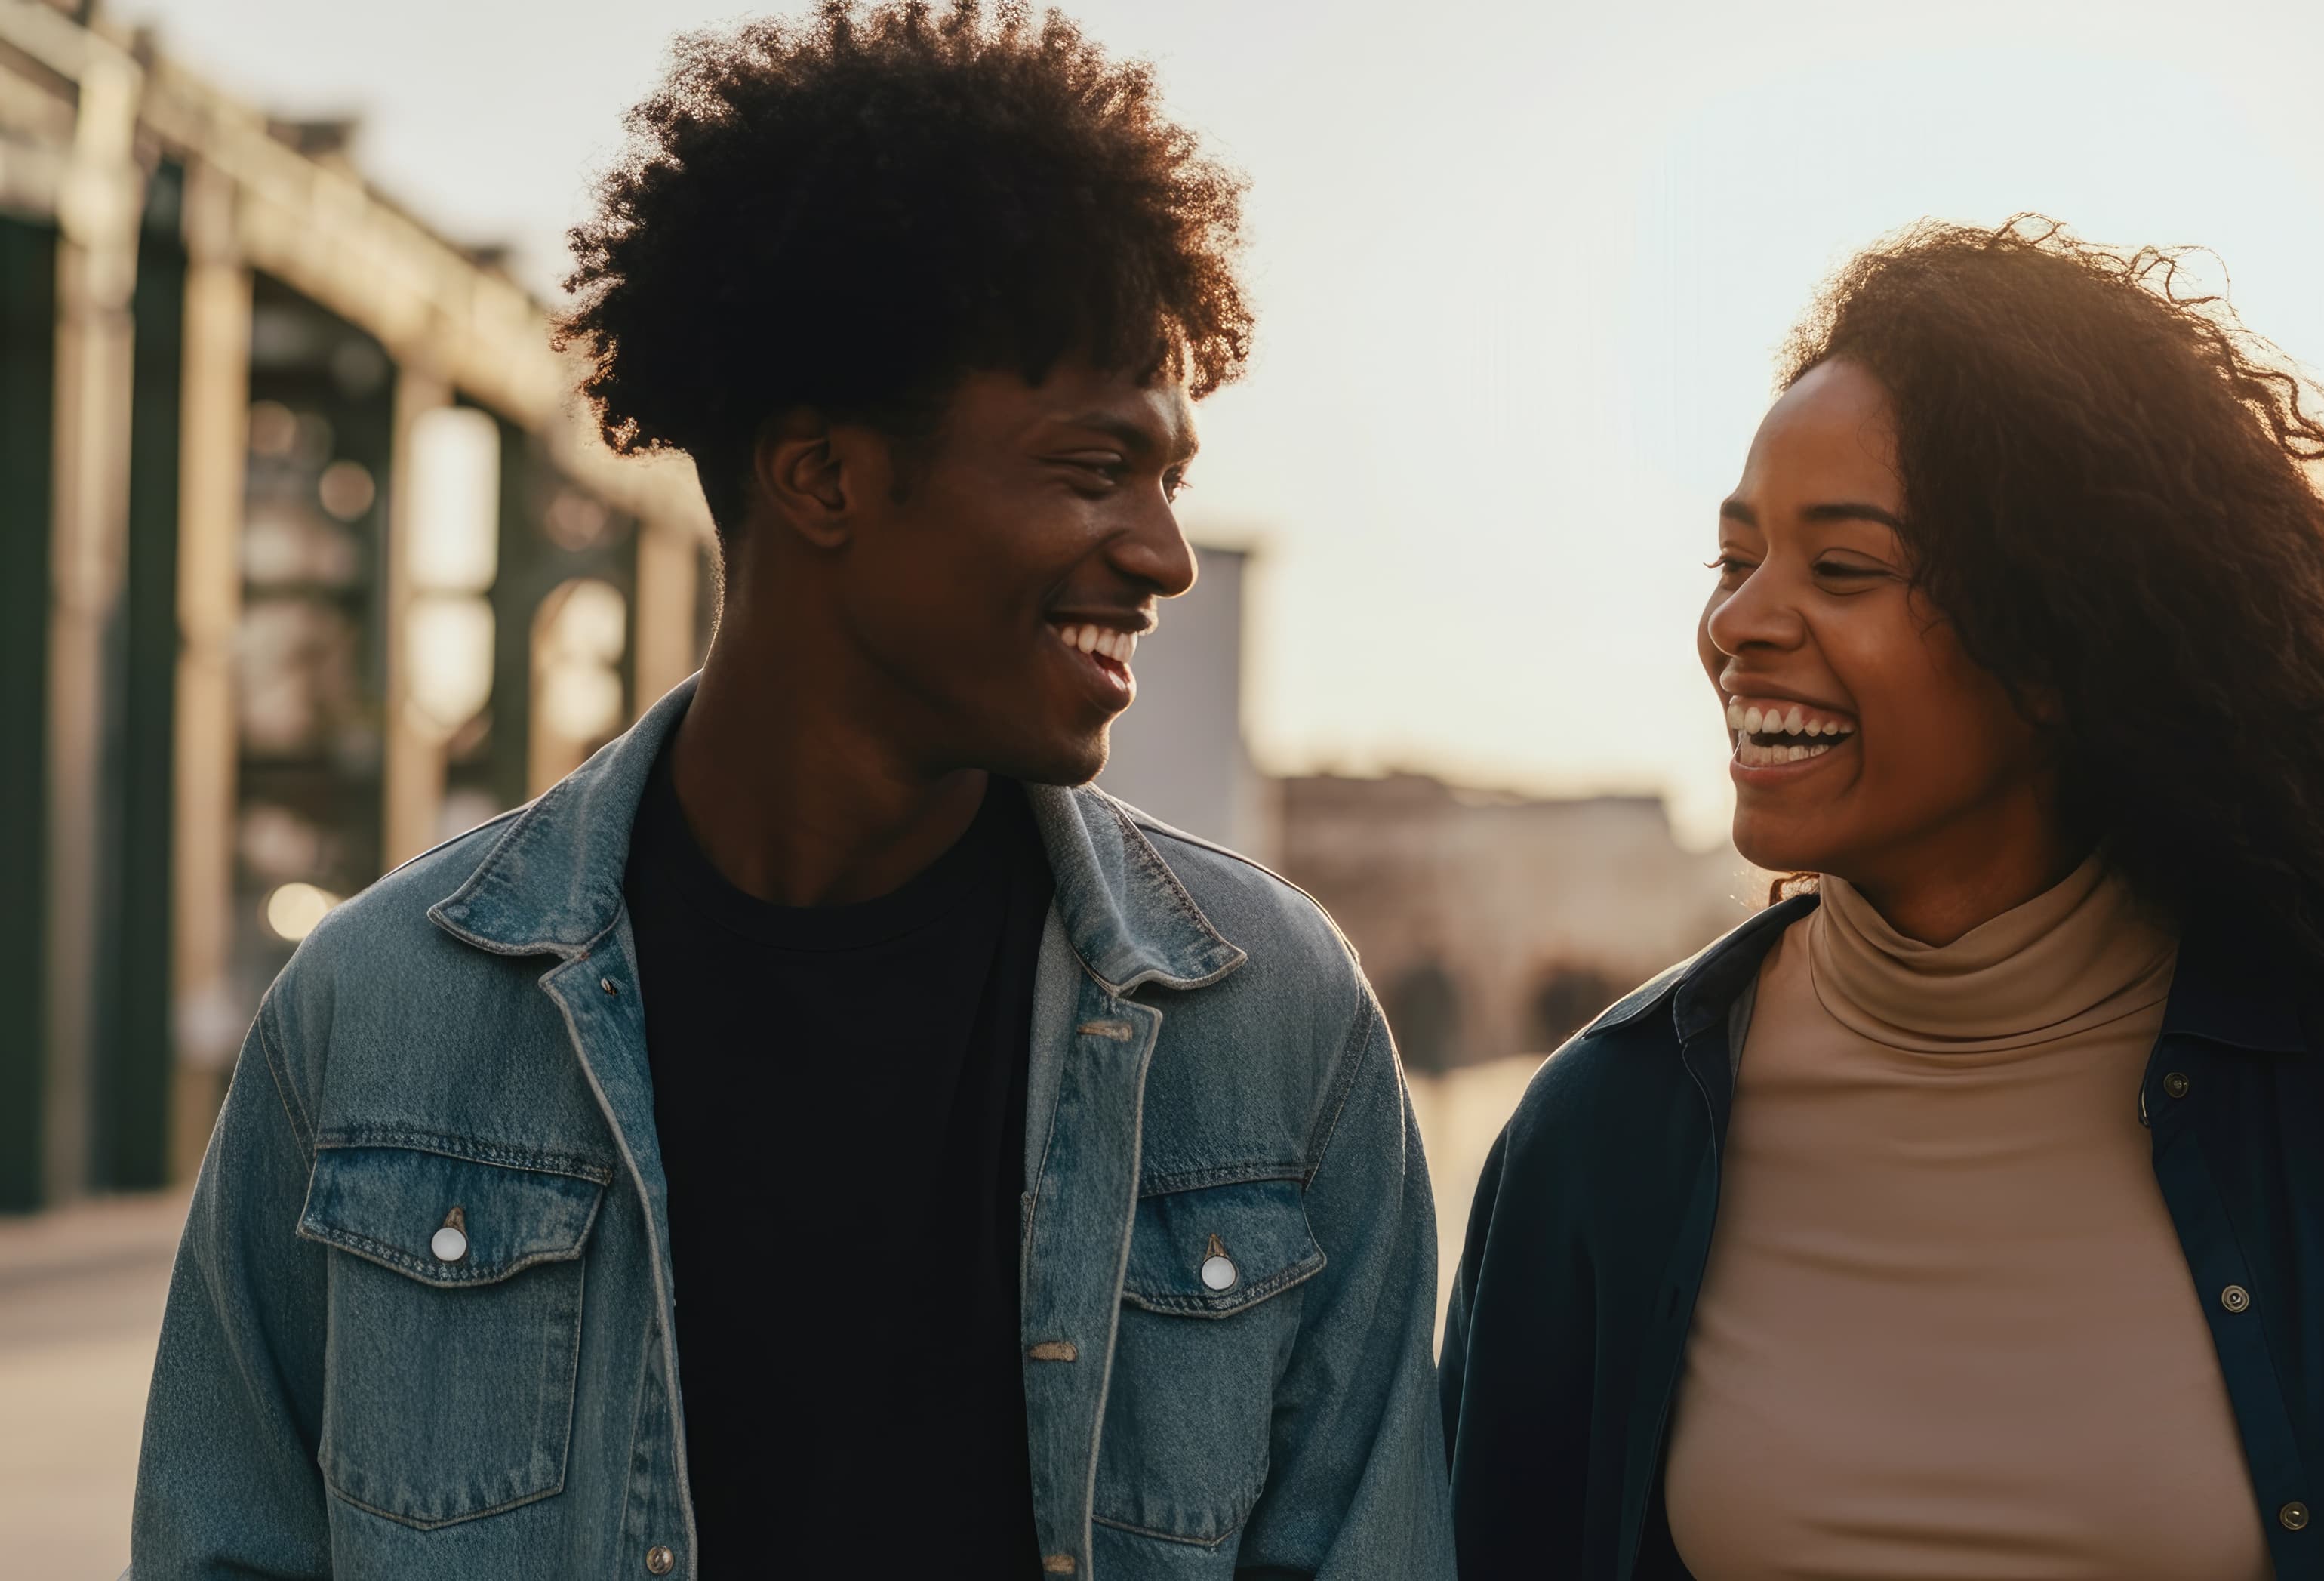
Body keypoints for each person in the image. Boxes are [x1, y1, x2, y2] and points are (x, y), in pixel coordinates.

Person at [131, 6, 1451, 1577]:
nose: (1163, 553)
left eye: (1173, 478)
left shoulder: (1272, 1028)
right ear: (820, 477)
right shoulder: (385, 1014)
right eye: (1097, 469)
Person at [1441, 217, 2324, 1580]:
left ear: (2062, 640)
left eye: (1841, 568)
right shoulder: (1601, 1135)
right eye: (1736, 561)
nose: (1740, 622)